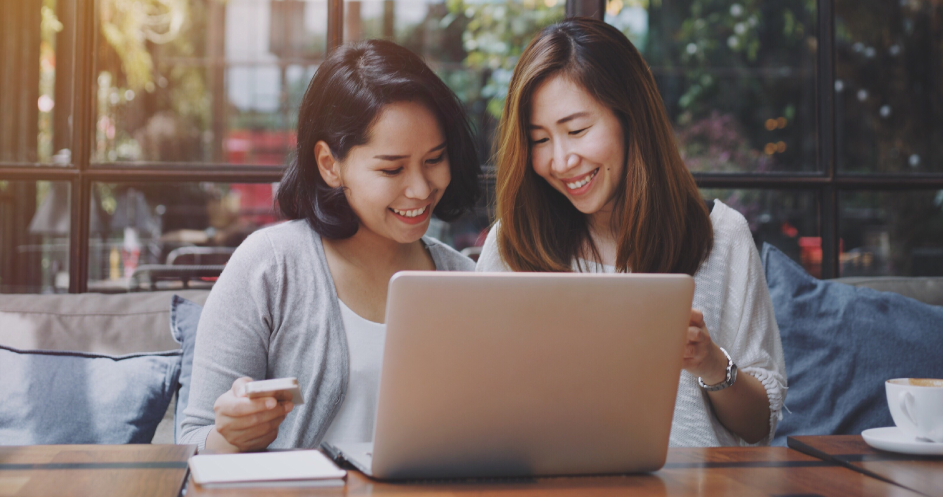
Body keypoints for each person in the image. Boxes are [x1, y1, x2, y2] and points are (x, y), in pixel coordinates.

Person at [476, 18, 786, 446]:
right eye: (539, 140)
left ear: (630, 118)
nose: (561, 161)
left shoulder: (721, 234)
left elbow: (760, 425)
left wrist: (711, 362)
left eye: (577, 130)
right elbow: (475, 406)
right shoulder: (513, 243)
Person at [179, 39, 481, 452]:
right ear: (329, 164)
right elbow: (190, 442)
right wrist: (230, 438)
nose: (421, 188)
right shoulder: (269, 267)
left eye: (434, 159)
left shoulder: (466, 282)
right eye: (392, 168)